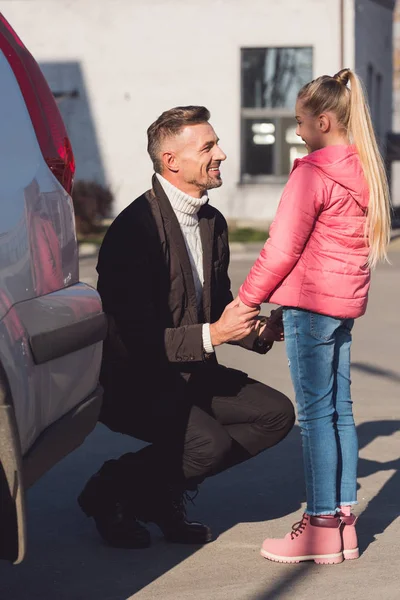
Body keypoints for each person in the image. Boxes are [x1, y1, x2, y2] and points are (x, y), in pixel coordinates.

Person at [78, 106, 295, 549]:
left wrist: (256, 332)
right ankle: (111, 490)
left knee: (275, 415)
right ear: (172, 160)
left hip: (191, 372)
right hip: (134, 380)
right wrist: (214, 335)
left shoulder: (210, 222)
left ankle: (158, 495)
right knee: (207, 445)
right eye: (209, 146)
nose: (223, 154)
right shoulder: (133, 231)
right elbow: (136, 340)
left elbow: (214, 301)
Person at [238, 69, 391, 564]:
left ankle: (320, 524)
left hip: (311, 307)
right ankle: (344, 522)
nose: (297, 132)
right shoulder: (365, 169)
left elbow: (282, 248)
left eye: (301, 123)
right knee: (339, 411)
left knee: (314, 419)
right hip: (343, 305)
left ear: (324, 121)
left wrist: (247, 300)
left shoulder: (314, 173)